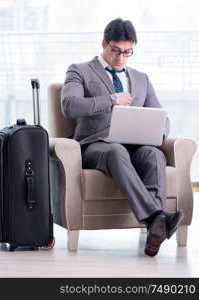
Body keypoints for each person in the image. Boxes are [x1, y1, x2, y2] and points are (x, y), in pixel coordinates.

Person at [61, 18, 184, 257]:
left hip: (135, 145)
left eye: (127, 52)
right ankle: (157, 217)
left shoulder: (141, 79)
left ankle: (155, 230)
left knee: (153, 154)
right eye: (115, 51)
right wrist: (111, 99)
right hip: (96, 146)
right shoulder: (80, 70)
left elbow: (162, 118)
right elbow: (69, 105)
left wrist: (156, 131)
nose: (120, 58)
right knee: (115, 150)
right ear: (104, 43)